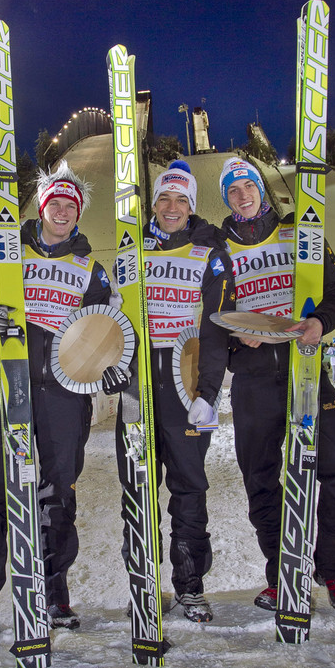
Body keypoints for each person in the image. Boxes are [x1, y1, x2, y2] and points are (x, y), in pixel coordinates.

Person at [0, 161, 111, 646]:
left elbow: (105, 329)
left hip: (66, 393)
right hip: (9, 384)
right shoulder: (3, 255)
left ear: (78, 213)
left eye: (71, 205)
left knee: (57, 492)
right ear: (42, 206)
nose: (63, 211)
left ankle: (52, 593)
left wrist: (112, 365)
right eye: (55, 203)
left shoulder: (90, 270)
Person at [219, 157, 335, 614]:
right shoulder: (217, 249)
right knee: (261, 477)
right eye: (233, 191)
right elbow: (208, 316)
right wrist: (236, 339)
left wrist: (320, 321)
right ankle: (284, 572)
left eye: (248, 186)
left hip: (305, 368)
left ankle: (334, 571)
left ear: (261, 188)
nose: (243, 195)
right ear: (227, 199)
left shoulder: (299, 231)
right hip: (254, 378)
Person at [114, 160, 236, 624]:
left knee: (189, 487)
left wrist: (208, 392)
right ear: (154, 204)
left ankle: (189, 586)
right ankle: (144, 583)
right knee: (138, 486)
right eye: (164, 198)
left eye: (180, 200)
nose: (171, 207)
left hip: (186, 384)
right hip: (139, 382)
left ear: (191, 207)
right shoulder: (133, 248)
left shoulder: (209, 251)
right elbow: (113, 315)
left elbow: (217, 326)